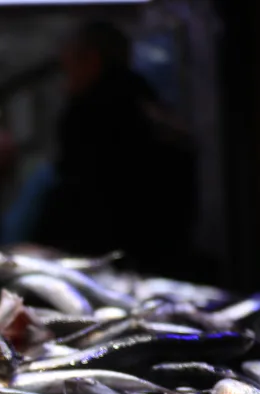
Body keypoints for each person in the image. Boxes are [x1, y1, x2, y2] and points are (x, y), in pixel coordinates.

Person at [33, 21, 197, 273]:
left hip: (107, 259)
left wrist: (49, 247)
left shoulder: (87, 114)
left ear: (92, 60)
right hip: (165, 254)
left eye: (68, 69)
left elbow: (81, 195)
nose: (64, 83)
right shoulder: (154, 108)